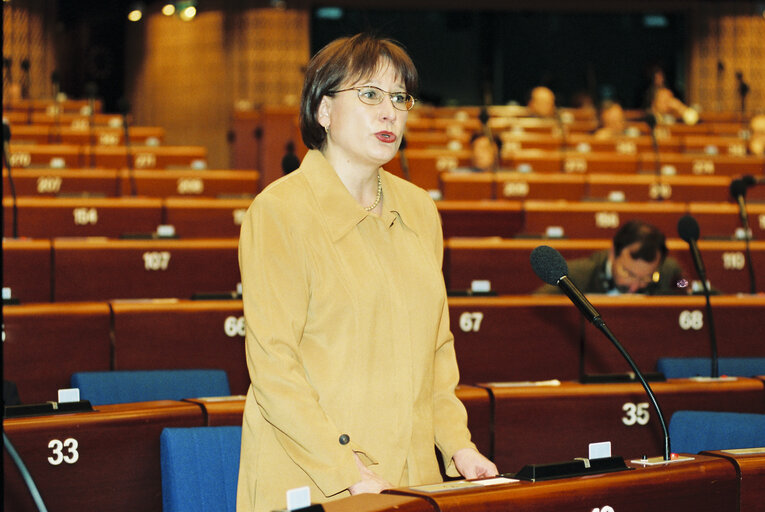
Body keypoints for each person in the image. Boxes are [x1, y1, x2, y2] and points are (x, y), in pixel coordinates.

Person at [237, 33, 497, 512]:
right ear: (323, 110)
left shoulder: (420, 211)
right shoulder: (279, 211)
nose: (389, 112)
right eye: (370, 95)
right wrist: (347, 470)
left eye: (399, 98)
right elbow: (274, 366)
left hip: (413, 476)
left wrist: (458, 445)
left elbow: (436, 353)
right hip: (316, 478)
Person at [535, 220, 685, 295]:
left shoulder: (669, 272)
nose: (634, 287)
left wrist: (685, 285)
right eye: (628, 273)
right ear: (613, 252)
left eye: (646, 278)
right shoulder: (574, 277)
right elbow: (536, 306)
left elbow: (686, 286)